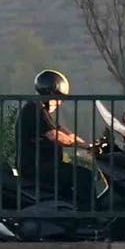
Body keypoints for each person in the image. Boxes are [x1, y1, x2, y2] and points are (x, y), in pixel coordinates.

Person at [14, 68, 84, 204]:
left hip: (44, 166)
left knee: (70, 193)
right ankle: (90, 218)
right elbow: (54, 135)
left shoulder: (40, 110)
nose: (60, 103)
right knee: (84, 176)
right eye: (59, 98)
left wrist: (88, 144)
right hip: (36, 168)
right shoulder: (35, 109)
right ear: (51, 94)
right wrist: (76, 144)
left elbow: (59, 129)